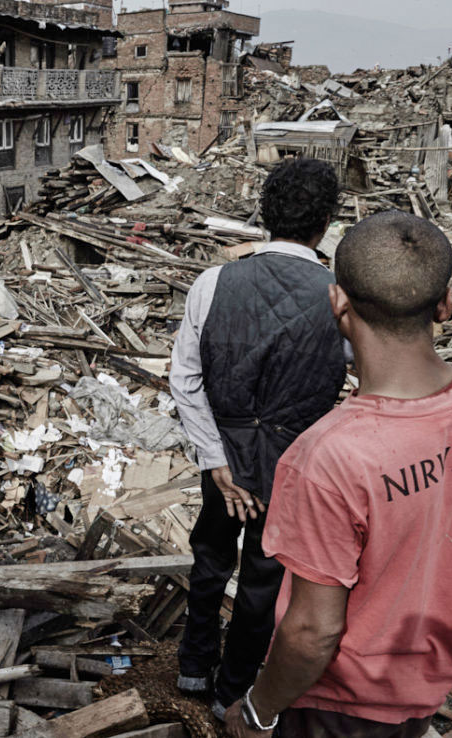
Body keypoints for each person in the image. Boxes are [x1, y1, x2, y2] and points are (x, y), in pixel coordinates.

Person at [225, 210, 452, 738]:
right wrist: (447, 618)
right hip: (423, 692)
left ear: (337, 302)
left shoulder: (327, 456)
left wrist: (258, 710)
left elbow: (313, 631)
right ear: (445, 304)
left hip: (335, 707)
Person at [169, 158, 348, 717]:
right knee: (264, 581)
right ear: (325, 224)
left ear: (264, 216)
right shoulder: (339, 299)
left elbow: (184, 376)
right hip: (291, 466)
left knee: (209, 557)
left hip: (222, 457)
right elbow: (361, 381)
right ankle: (232, 693)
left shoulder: (214, 281)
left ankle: (193, 669)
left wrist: (216, 458)